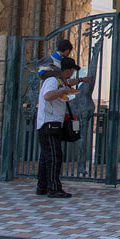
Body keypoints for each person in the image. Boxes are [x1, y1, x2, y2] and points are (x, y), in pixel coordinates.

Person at [36, 56, 77, 198]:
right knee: (54, 156)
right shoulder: (52, 81)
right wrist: (62, 91)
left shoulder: (57, 80)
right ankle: (54, 188)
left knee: (46, 157)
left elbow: (67, 84)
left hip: (50, 122)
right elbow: (47, 96)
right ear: (67, 70)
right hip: (49, 123)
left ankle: (42, 186)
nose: (72, 74)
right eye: (72, 71)